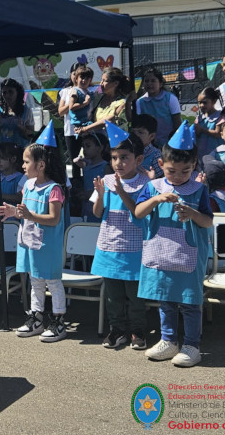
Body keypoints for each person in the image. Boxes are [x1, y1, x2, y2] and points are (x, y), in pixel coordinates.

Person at [133, 122, 213, 367]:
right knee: (166, 299)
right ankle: (169, 340)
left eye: (185, 171)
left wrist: (192, 214)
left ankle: (191, 345)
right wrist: (157, 199)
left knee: (189, 302)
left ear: (194, 166)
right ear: (160, 165)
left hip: (188, 254)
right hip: (161, 253)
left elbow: (208, 222)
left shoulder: (199, 190)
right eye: (171, 171)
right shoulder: (152, 187)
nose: (178, 176)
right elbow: (138, 212)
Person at [0, 126, 68, 343]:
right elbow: (25, 213)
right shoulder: (27, 185)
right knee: (35, 281)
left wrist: (29, 214)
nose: (23, 165)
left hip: (48, 246)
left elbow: (53, 219)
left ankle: (58, 320)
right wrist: (13, 212)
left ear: (41, 165)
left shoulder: (54, 189)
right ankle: (36, 317)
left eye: (27, 162)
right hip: (29, 242)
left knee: (53, 282)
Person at [89, 126, 149, 349]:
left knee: (135, 296)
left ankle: (138, 331)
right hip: (109, 248)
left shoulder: (145, 184)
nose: (118, 163)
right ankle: (117, 330)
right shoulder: (105, 181)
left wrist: (122, 191)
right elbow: (97, 213)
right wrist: (102, 195)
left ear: (138, 159)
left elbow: (138, 212)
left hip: (135, 250)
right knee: (113, 296)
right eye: (114, 158)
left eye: (124, 157)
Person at [75, 67, 133, 135]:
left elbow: (108, 121)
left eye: (105, 81)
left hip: (116, 143)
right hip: (99, 142)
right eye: (101, 80)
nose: (101, 84)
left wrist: (86, 128)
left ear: (116, 83)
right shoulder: (99, 97)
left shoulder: (122, 103)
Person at [135, 68, 182, 146]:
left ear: (160, 84)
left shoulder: (170, 98)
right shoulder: (140, 102)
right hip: (149, 145)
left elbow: (177, 122)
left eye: (153, 81)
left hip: (169, 143)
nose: (149, 84)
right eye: (146, 81)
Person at [75, 132, 112, 222]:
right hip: (87, 210)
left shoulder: (105, 167)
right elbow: (75, 160)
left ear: (100, 148)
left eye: (88, 146)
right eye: (83, 147)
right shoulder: (86, 166)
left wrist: (88, 194)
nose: (84, 150)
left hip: (100, 211)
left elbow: (109, 190)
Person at [59, 63, 85, 182]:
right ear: (71, 75)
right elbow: (60, 111)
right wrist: (72, 104)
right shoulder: (65, 91)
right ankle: (76, 186)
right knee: (74, 160)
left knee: (87, 158)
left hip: (85, 129)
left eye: (79, 75)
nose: (76, 77)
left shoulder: (87, 91)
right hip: (70, 130)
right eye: (74, 74)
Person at [0, 78, 33, 148]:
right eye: (4, 92)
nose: (7, 95)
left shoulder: (26, 111)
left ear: (17, 92)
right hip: (2, 152)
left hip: (20, 150)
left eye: (11, 92)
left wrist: (23, 129)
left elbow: (31, 135)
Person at [194, 87, 225, 158]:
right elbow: (197, 134)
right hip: (201, 153)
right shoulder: (199, 118)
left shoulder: (219, 116)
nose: (201, 105)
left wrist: (202, 130)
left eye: (205, 102)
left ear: (214, 102)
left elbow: (218, 133)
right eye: (199, 103)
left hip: (216, 153)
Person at [131, 114, 164, 179]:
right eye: (133, 132)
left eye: (140, 132)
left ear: (152, 136)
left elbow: (160, 180)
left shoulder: (156, 155)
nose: (136, 135)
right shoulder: (128, 151)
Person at [0, 142, 26, 207]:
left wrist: (0, 196)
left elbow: (19, 198)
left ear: (13, 159)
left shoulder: (22, 178)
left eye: (2, 158)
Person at [67, 66, 94, 130]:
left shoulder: (88, 92)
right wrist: (84, 103)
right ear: (76, 79)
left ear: (90, 80)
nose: (84, 80)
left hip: (87, 122)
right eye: (82, 78)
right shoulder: (75, 91)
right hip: (79, 124)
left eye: (87, 78)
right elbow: (71, 107)